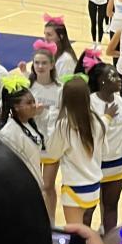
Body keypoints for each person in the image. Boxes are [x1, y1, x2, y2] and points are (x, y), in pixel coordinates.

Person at [43, 75, 106, 227]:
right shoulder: (97, 121)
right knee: (85, 229)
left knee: (75, 233)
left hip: (75, 188)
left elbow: (52, 152)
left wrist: (54, 119)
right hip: (94, 186)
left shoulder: (64, 125)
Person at [85, 58, 122, 234]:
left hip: (118, 164)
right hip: (94, 164)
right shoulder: (89, 103)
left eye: (118, 75)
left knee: (111, 207)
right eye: (113, 76)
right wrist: (106, 118)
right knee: (88, 210)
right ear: (102, 81)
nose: (119, 79)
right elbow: (90, 134)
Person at [0, 76, 46, 188]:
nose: (34, 106)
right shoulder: (9, 133)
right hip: (21, 188)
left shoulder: (29, 124)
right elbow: (7, 169)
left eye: (34, 101)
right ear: (16, 107)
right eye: (29, 103)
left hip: (35, 185)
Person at [28, 41, 62, 138]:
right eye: (37, 63)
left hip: (53, 137)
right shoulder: (27, 87)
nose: (40, 66)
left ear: (52, 65)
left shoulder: (60, 89)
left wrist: (43, 113)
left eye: (44, 63)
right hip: (31, 136)